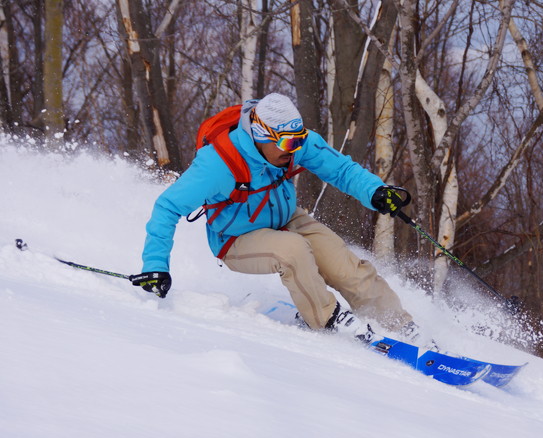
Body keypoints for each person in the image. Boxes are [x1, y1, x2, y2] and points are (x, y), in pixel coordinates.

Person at [130, 93, 430, 346]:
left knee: (343, 262)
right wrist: (155, 266)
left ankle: (398, 326)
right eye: (288, 144)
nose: (296, 149)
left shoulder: (292, 143)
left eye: (299, 140)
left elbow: (340, 170)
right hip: (235, 239)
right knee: (293, 251)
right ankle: (326, 319)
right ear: (262, 135)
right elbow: (167, 207)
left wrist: (376, 191)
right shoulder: (217, 164)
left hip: (285, 219)